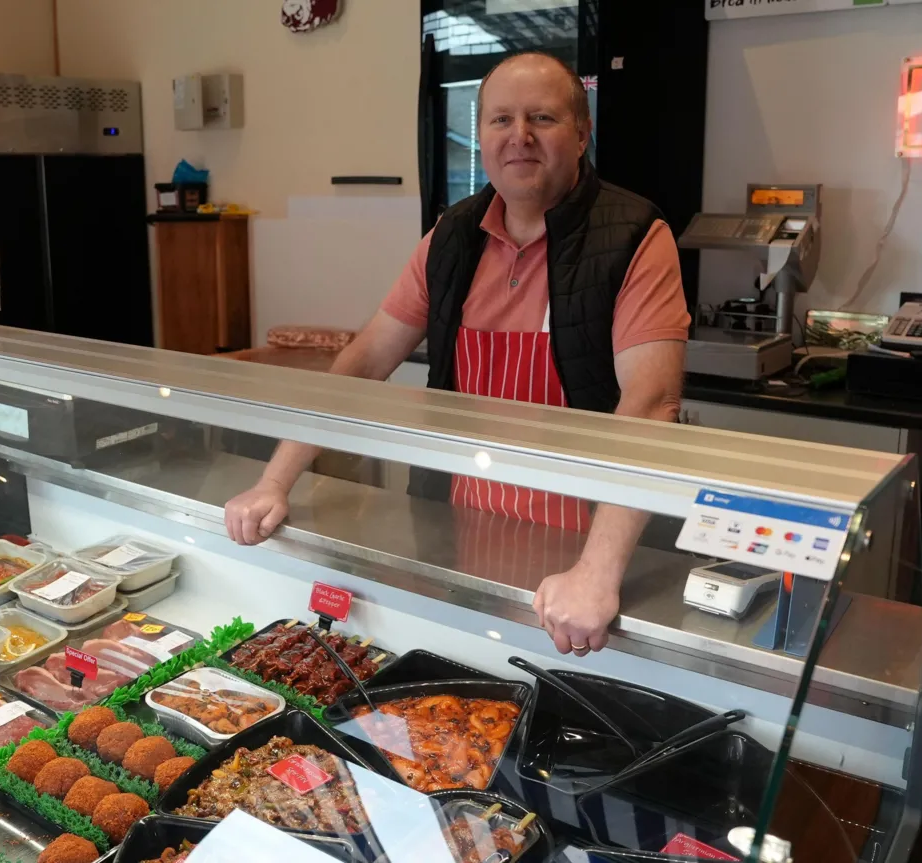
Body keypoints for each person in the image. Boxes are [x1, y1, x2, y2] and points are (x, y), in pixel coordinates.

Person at [224, 52, 689, 657]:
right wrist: (274, 481)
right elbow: (363, 363)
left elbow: (652, 406)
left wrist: (597, 572)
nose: (519, 136)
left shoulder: (634, 236)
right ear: (481, 136)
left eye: (542, 117)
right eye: (500, 120)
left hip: (583, 547)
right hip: (461, 527)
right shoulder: (452, 237)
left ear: (581, 133)